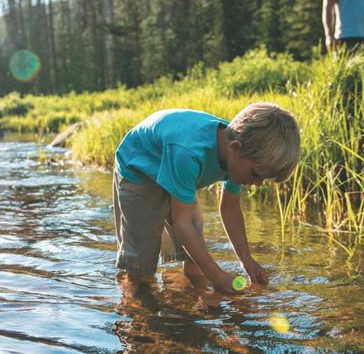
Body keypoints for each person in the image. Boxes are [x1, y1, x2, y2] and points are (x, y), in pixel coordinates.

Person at [113, 102, 300, 294]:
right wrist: (217, 276)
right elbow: (182, 224)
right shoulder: (191, 153)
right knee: (141, 263)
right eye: (256, 174)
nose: (258, 183)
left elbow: (230, 209)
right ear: (235, 148)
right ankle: (134, 302)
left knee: (196, 253)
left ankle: (196, 299)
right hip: (139, 170)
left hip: (175, 165)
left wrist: (246, 259)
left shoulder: (239, 151)